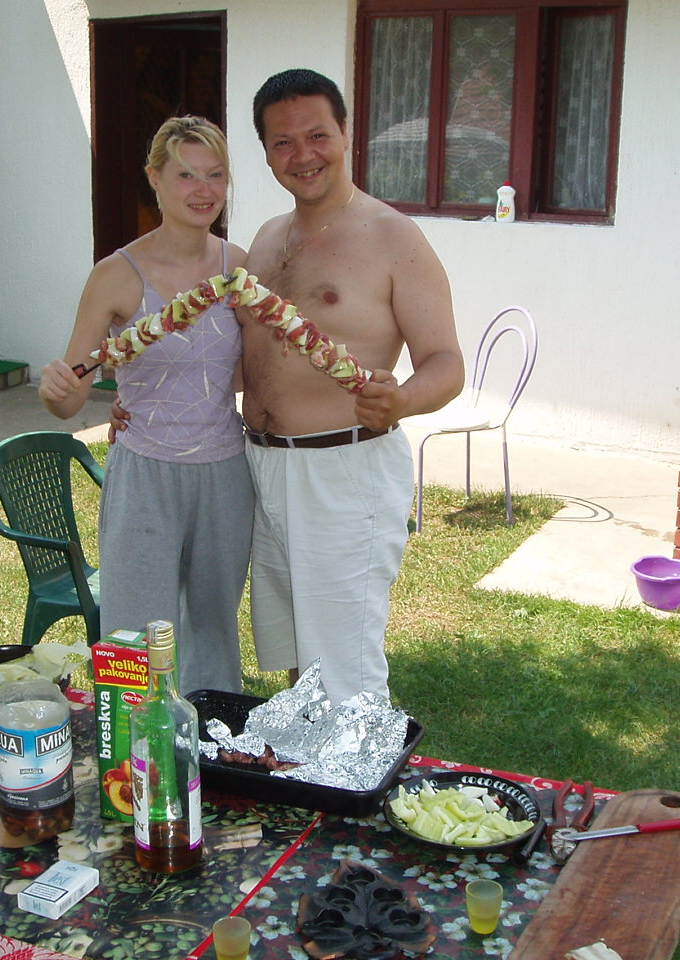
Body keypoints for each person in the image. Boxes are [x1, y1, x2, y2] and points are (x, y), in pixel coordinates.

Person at [115, 70, 464, 704]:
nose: (303, 154)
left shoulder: (392, 237)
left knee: (343, 665)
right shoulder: (266, 240)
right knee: (297, 660)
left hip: (343, 469)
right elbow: (239, 358)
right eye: (283, 142)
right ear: (266, 152)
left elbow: (446, 362)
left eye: (317, 135)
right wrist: (147, 394)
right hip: (260, 468)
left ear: (346, 132)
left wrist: (403, 400)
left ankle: (359, 763)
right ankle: (308, 763)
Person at [39, 116, 253, 696]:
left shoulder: (240, 266)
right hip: (144, 475)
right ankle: (129, 743)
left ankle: (210, 736)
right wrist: (57, 392)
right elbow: (71, 392)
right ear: (154, 178)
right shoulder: (115, 275)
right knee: (133, 633)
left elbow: (249, 370)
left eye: (215, 174)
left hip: (224, 472)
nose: (203, 190)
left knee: (213, 627)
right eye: (185, 174)